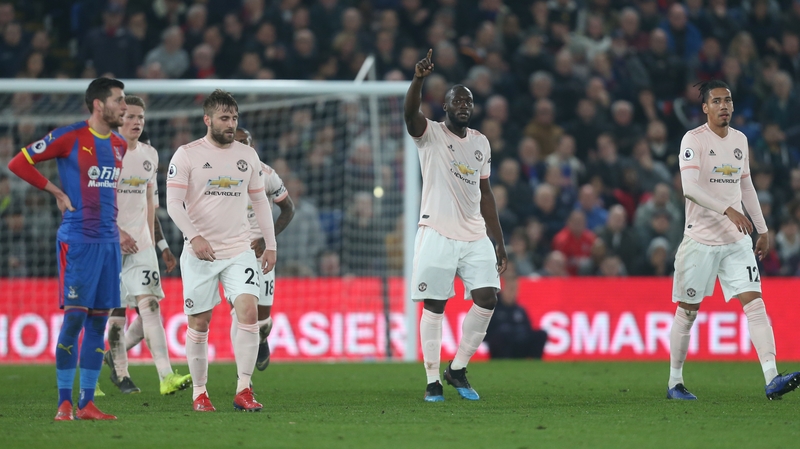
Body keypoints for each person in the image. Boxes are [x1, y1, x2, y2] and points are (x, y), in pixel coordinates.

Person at [667, 80, 800, 401]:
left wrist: (763, 228)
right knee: (687, 311)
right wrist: (728, 209)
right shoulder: (693, 140)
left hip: (736, 240)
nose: (724, 106)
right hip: (700, 239)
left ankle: (772, 378)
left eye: (728, 100)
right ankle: (675, 382)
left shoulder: (740, 140)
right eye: (716, 101)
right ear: (705, 108)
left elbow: (746, 185)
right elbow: (690, 187)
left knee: (755, 304)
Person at [6, 77, 128, 420]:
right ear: (98, 105)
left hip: (108, 244)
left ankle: (87, 403)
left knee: (98, 322)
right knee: (75, 317)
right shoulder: (70, 136)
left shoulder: (120, 145)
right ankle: (63, 402)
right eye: (119, 100)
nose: (124, 106)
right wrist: (56, 192)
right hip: (78, 240)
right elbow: (18, 162)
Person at [404, 49, 508, 402]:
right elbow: (409, 113)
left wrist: (498, 241)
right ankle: (433, 379)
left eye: (469, 101)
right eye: (457, 101)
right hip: (436, 230)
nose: (464, 105)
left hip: (474, 232)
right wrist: (418, 79)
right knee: (435, 305)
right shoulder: (429, 134)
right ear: (445, 107)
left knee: (488, 298)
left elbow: (486, 192)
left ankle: (457, 368)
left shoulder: (480, 143)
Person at [166, 89, 277, 412]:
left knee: (248, 313)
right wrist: (194, 236)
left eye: (234, 118)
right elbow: (173, 204)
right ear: (208, 120)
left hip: (239, 248)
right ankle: (200, 393)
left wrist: (270, 244)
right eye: (225, 118)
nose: (231, 124)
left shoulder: (248, 156)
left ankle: (244, 389)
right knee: (199, 323)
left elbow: (260, 201)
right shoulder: (186, 155)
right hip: (200, 252)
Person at [103, 95, 192, 395]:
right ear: (118, 119)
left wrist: (162, 244)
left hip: (141, 244)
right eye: (130, 116)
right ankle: (120, 372)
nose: (136, 122)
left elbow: (150, 205)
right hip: (109, 243)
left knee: (150, 306)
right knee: (116, 311)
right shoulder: (104, 154)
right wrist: (117, 233)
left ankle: (166, 377)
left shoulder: (150, 155)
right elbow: (95, 203)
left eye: (140, 117)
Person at [228, 127, 295, 372]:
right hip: (232, 254)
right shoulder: (220, 175)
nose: (241, 147)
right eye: (236, 143)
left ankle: (263, 337)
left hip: (261, 256)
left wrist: (268, 240)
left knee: (261, 321)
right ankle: (243, 379)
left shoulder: (267, 174)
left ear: (252, 146)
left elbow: (289, 209)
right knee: (239, 313)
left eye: (245, 142)